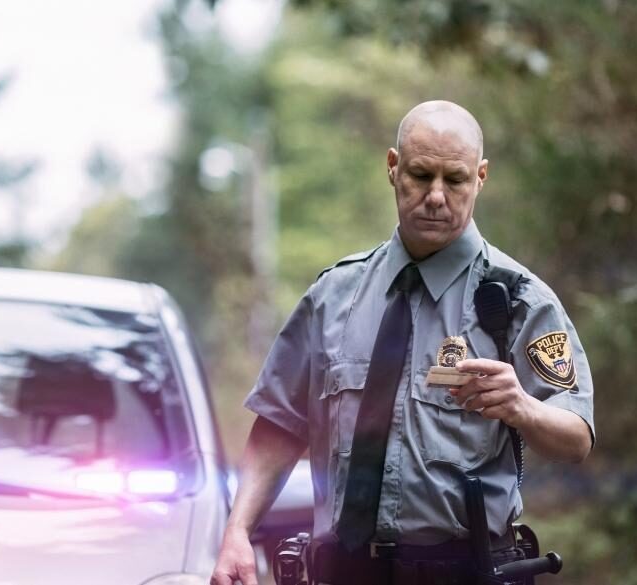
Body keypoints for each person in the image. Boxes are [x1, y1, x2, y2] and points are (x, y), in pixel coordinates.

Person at [210, 100, 595, 585]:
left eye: (454, 180)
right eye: (420, 175)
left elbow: (577, 438)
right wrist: (238, 531)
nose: (436, 196)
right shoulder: (333, 295)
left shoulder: (518, 299)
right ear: (393, 169)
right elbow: (281, 424)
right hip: (341, 570)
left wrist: (521, 406)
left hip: (461, 570)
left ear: (480, 178)